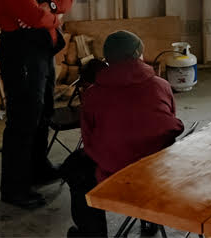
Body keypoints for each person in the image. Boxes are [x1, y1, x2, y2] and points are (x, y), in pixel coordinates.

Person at [64, 31, 184, 237]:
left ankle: (92, 234)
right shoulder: (161, 86)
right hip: (158, 172)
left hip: (114, 175)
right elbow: (168, 125)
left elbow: (89, 139)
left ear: (108, 60)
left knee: (74, 167)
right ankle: (150, 220)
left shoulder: (92, 95)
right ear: (138, 55)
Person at [0, 0, 73, 208]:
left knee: (43, 112)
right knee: (23, 119)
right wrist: (53, 16)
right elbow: (32, 16)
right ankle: (14, 187)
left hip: (41, 50)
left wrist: (49, 9)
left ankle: (37, 169)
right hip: (22, 54)